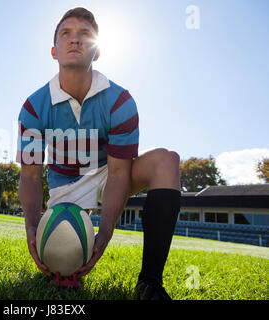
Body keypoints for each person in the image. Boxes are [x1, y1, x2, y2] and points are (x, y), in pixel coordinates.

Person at [16, 7, 181, 300]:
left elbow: (119, 173)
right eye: (66, 33)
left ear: (98, 51)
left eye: (84, 35)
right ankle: (62, 268)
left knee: (166, 161)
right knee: (61, 267)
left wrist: (104, 234)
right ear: (54, 51)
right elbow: (30, 175)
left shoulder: (120, 101)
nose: (75, 40)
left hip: (109, 173)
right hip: (64, 184)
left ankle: (150, 284)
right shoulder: (33, 106)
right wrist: (31, 228)